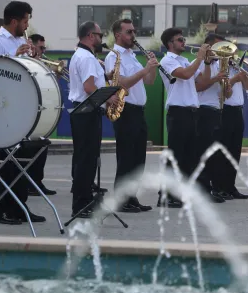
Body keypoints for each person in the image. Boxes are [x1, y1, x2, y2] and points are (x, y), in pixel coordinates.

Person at [0, 0, 46, 225]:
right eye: (25, 20)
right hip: (2, 108)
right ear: (14, 21)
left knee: (20, 160)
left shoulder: (21, 40)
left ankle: (19, 205)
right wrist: (14, 56)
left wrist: (34, 59)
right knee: (5, 161)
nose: (27, 25)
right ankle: (2, 209)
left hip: (20, 106)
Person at [104, 19, 158, 212]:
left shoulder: (133, 56)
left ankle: (131, 197)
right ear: (118, 35)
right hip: (126, 111)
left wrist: (152, 68)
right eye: (129, 32)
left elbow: (149, 81)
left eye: (134, 31)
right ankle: (120, 200)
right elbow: (122, 83)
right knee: (126, 157)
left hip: (138, 111)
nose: (133, 36)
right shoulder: (114, 56)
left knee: (138, 159)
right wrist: (144, 69)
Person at [68, 21, 117, 218]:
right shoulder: (87, 58)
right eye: (99, 35)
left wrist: (105, 76)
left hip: (83, 113)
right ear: (90, 36)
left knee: (85, 160)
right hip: (87, 113)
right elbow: (88, 88)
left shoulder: (82, 55)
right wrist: (109, 97)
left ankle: (85, 201)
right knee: (86, 161)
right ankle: (82, 204)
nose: (101, 39)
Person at [158, 27, 208, 208]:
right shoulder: (167, 61)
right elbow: (185, 75)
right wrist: (200, 58)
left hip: (192, 112)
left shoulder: (186, 60)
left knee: (189, 157)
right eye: (180, 39)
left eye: (183, 38)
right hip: (178, 112)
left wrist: (208, 63)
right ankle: (167, 196)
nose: (183, 42)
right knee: (176, 157)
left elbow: (201, 82)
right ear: (170, 44)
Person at [213, 41, 248, 200]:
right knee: (224, 151)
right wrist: (235, 78)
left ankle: (231, 186)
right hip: (225, 110)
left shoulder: (237, 68)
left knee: (235, 150)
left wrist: (244, 75)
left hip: (238, 111)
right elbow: (221, 88)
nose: (232, 56)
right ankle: (220, 186)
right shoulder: (220, 68)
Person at [194, 33, 230, 203]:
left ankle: (212, 188)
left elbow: (227, 95)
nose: (221, 50)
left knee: (213, 154)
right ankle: (202, 190)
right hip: (204, 110)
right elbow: (199, 86)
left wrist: (227, 83)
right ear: (208, 46)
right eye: (218, 46)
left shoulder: (218, 65)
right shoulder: (200, 63)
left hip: (216, 110)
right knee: (203, 153)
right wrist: (216, 78)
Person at [25, 33, 56, 197]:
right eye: (41, 47)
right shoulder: (28, 61)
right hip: (28, 108)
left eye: (44, 48)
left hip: (41, 108)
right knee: (28, 149)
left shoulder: (41, 63)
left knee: (42, 144)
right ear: (33, 46)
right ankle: (29, 183)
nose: (43, 51)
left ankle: (37, 182)